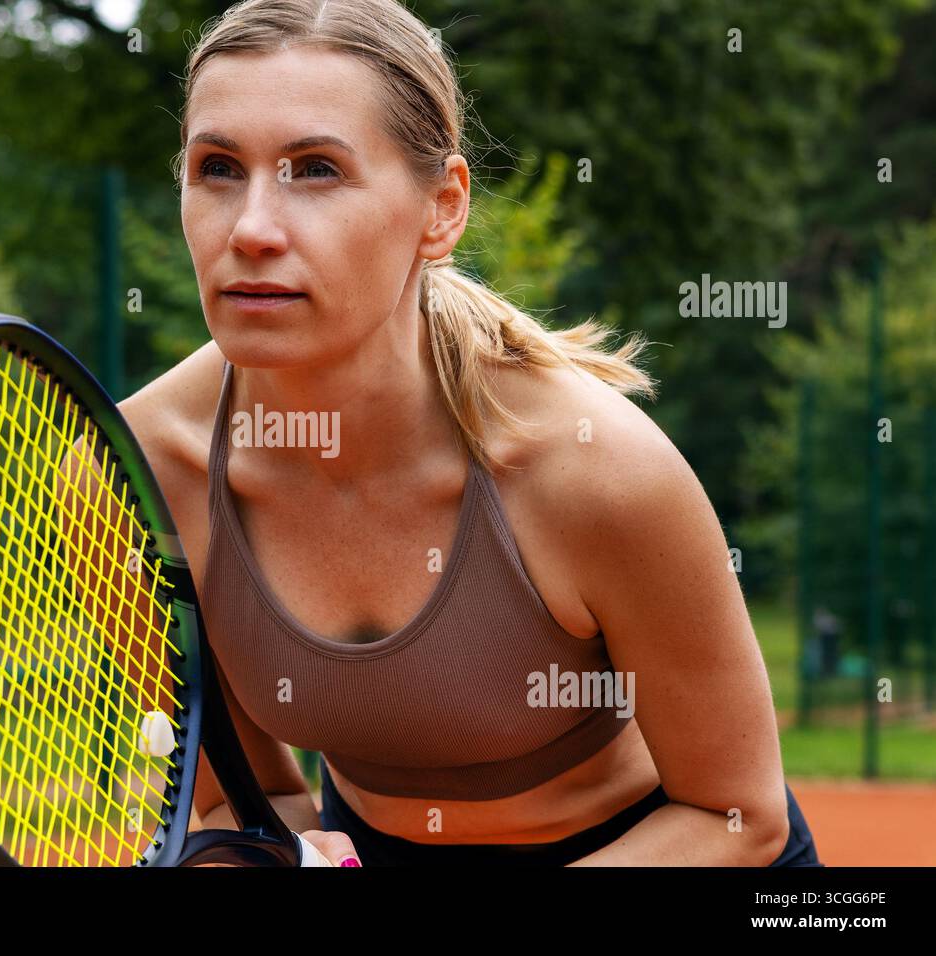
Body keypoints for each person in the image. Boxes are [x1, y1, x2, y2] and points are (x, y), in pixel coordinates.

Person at [119, 0, 822, 867]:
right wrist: (265, 859)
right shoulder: (134, 475)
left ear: (442, 208)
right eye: (218, 167)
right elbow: (233, 793)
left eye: (317, 170)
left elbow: (738, 818)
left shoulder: (597, 473)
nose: (252, 229)